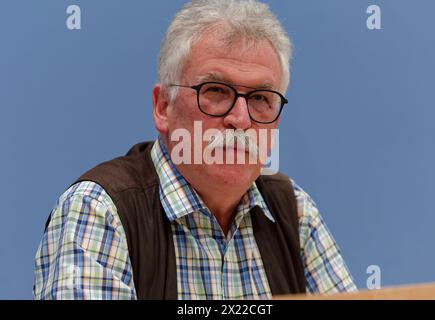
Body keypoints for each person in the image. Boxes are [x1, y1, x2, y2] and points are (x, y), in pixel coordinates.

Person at [34, 0, 357, 300]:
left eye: (260, 98)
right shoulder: (99, 210)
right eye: (215, 91)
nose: (240, 120)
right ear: (163, 107)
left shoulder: (294, 210)